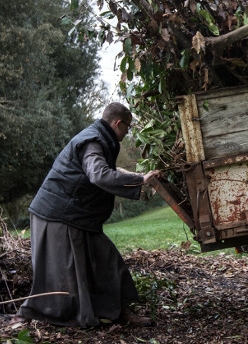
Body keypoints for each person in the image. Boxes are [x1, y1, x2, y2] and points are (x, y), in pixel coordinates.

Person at [12, 102, 160, 328]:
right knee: (61, 274)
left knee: (107, 260)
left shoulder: (99, 138)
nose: (128, 132)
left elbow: (108, 171)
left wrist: (140, 177)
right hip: (57, 215)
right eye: (128, 127)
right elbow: (99, 175)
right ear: (117, 123)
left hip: (77, 216)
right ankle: (27, 315)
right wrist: (139, 180)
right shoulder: (92, 141)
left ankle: (117, 311)